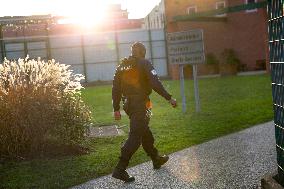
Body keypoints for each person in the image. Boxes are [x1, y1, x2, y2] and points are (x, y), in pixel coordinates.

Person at [111, 42, 177, 182]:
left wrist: (116, 108)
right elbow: (155, 83)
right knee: (135, 136)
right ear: (143, 52)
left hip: (128, 105)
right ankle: (120, 169)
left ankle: (156, 158)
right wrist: (169, 98)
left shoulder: (122, 65)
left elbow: (115, 88)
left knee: (144, 131)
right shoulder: (144, 63)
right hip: (141, 104)